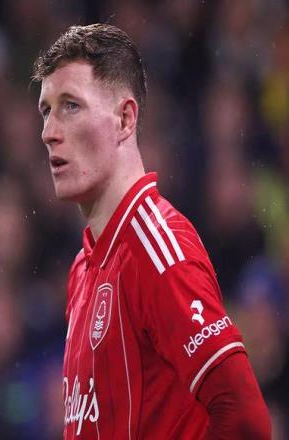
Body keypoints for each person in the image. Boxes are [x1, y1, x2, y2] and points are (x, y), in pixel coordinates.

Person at [32, 24, 271, 439]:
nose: (49, 132)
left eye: (70, 106)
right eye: (46, 110)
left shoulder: (158, 249)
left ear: (125, 119)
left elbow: (246, 419)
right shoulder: (83, 268)